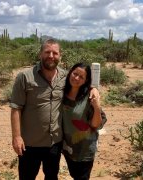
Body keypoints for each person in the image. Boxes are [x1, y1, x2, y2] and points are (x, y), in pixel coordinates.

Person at [10, 39, 99, 180]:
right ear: (40, 54)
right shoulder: (25, 77)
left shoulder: (66, 77)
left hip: (54, 143)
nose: (51, 56)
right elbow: (16, 108)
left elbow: (81, 82)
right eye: (47, 52)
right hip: (30, 143)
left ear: (60, 56)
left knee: (51, 176)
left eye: (55, 53)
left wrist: (93, 88)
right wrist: (16, 137)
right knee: (26, 177)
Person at [62, 63, 107, 180]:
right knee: (74, 175)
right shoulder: (61, 93)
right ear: (70, 72)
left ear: (86, 80)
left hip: (85, 150)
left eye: (81, 77)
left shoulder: (89, 98)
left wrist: (96, 107)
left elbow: (96, 125)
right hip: (67, 147)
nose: (76, 78)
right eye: (75, 73)